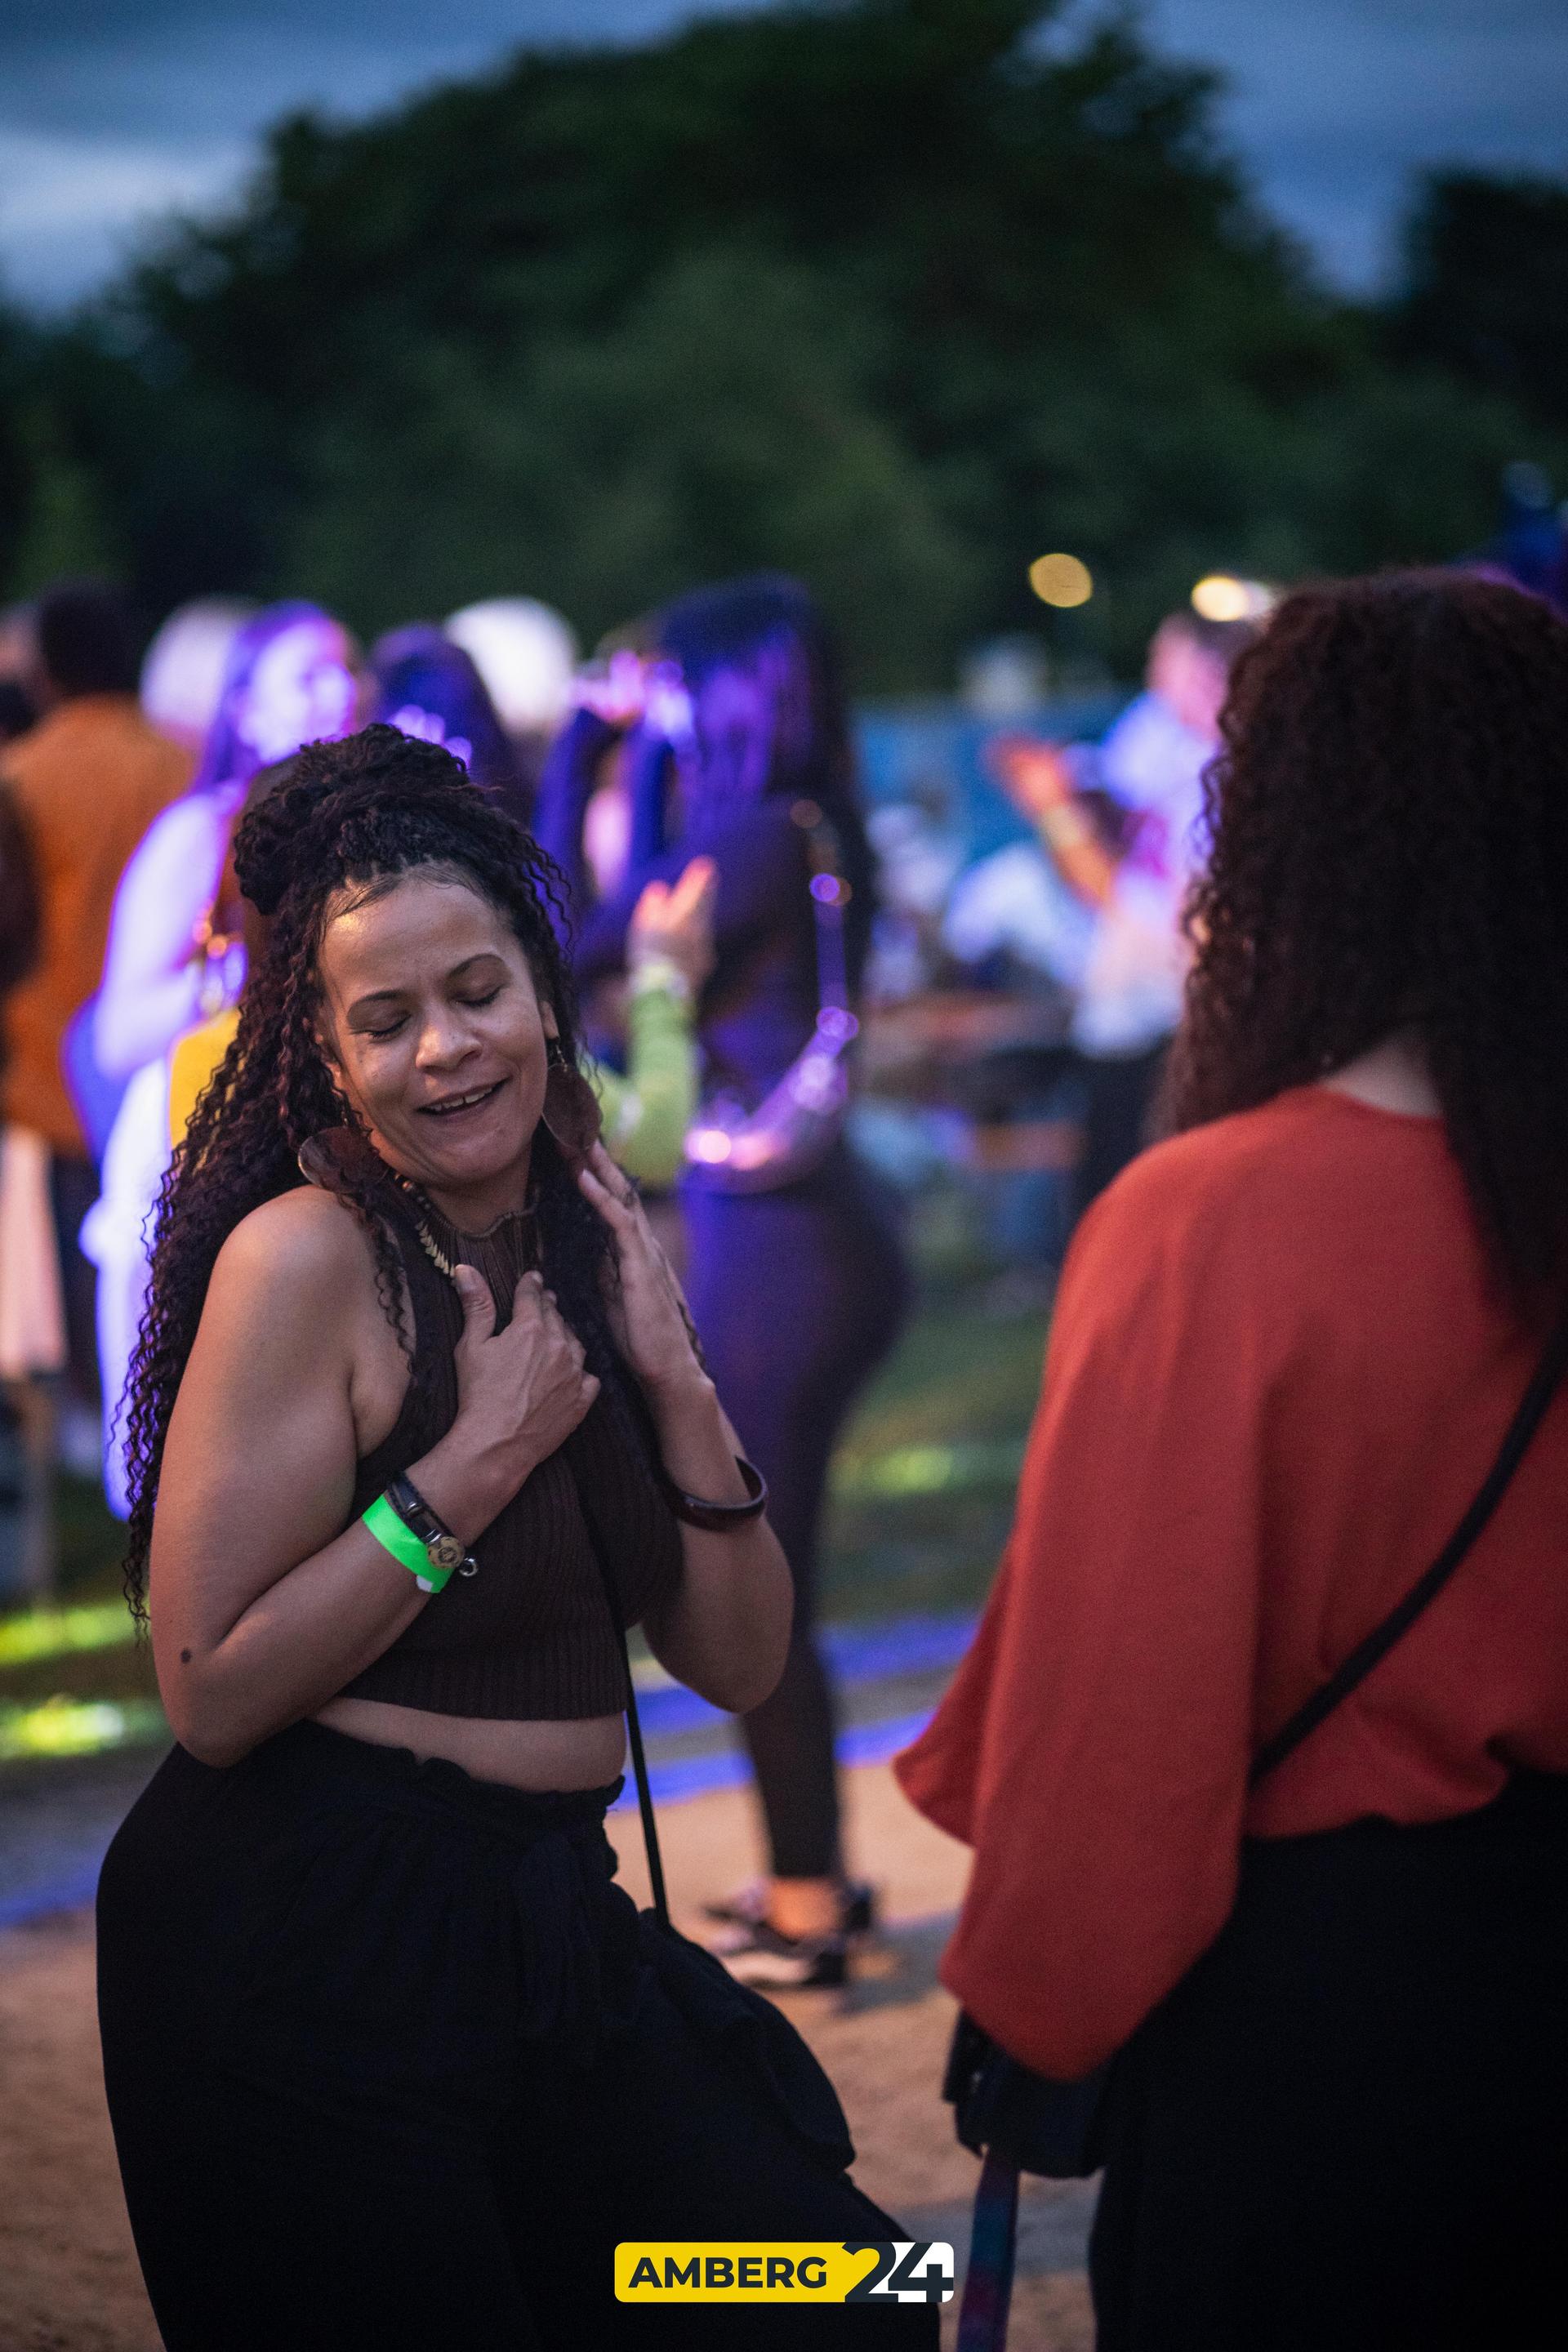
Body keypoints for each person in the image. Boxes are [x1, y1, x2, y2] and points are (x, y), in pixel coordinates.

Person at [95, 727, 933, 2351]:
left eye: (475, 992)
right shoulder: (308, 1261)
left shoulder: (587, 1221)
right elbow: (209, 1688)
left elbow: (738, 1657)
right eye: (384, 1020)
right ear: (327, 1055)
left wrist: (677, 1380)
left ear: (545, 991)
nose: (445, 1052)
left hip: (553, 1923)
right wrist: (466, 1468)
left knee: (858, 2294)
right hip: (309, 1939)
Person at [897, 570, 1568, 2350]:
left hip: (1315, 2045)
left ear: (1282, 840)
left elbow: (1122, 1705)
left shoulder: (1212, 1223)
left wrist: (1038, 2003)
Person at [536, 577, 911, 1989]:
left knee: (759, 1584)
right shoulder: (810, 824)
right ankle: (812, 1877)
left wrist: (585, 747)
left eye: (685, 686)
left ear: (734, 692)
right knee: (770, 1575)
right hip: (821, 1228)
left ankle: (811, 1897)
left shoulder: (748, 842)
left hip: (780, 1248)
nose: (667, 709)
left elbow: (573, 937)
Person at [82, 603, 360, 1512]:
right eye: (308, 676)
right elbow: (118, 1029)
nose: (341, 690)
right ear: (244, 708)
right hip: (195, 1138)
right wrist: (245, 964)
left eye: (347, 668)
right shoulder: (199, 834)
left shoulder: (371, 822)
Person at [990, 606, 1258, 1225]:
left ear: (1207, 668)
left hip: (1170, 1025)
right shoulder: (1160, 741)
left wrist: (1054, 808)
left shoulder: (1221, 774)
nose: (1154, 674)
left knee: (1141, 1224)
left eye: (1166, 659)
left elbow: (1139, 906)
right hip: (1139, 1021)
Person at [0, 582, 190, 1454]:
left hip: (44, 1063)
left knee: (78, 1259)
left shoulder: (22, 777)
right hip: (165, 1058)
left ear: (44, 674)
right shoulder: (184, 765)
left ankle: (88, 1430)